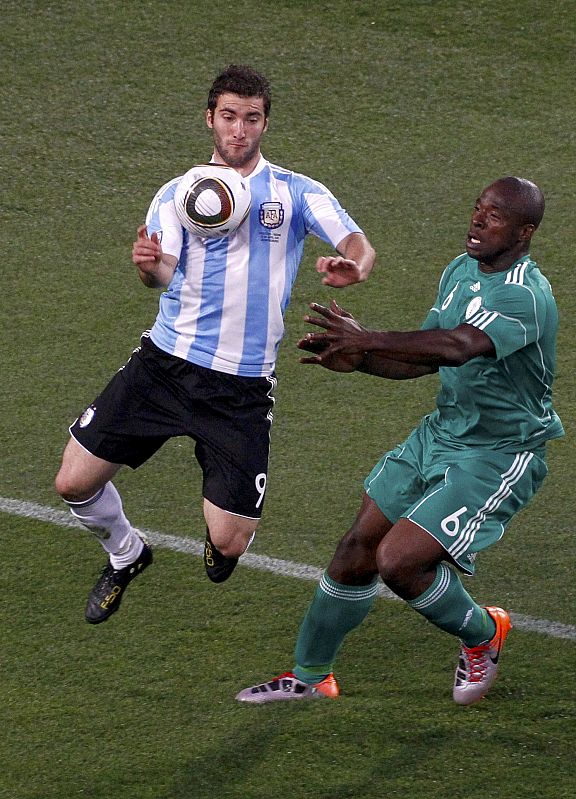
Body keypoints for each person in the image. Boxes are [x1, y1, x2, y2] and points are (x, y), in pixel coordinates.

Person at [55, 64, 375, 625]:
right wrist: (148, 269)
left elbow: (355, 240)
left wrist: (356, 265)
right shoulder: (179, 194)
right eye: (229, 117)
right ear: (210, 119)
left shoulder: (295, 192)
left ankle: (221, 537)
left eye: (252, 119)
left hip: (242, 388)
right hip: (164, 366)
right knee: (73, 482)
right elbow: (161, 276)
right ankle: (126, 554)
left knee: (228, 543)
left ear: (265, 124)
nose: (239, 131)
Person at [236, 176, 564, 706]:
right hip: (441, 434)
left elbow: (460, 346)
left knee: (400, 562)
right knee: (355, 552)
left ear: (525, 232)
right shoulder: (460, 271)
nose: (478, 220)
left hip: (500, 453)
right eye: (477, 208)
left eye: (495, 216)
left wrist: (368, 338)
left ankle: (483, 633)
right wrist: (360, 360)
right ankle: (311, 676)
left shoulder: (526, 294)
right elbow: (425, 357)